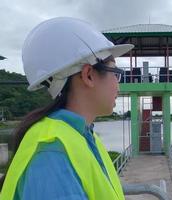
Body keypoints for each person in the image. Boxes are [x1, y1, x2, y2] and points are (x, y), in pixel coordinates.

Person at [0, 17, 133, 200]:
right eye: (116, 74)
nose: (119, 86)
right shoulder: (51, 155)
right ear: (88, 75)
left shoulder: (82, 136)